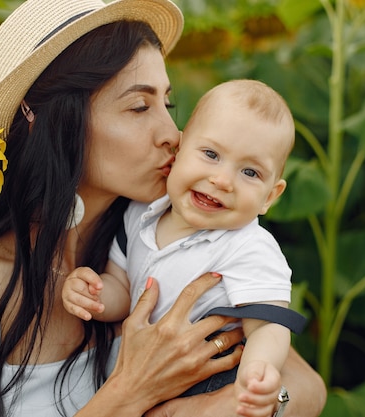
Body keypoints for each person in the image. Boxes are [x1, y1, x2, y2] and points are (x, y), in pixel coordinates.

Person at [0, 0, 327, 416]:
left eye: (168, 105)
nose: (173, 134)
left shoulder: (170, 236)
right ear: (60, 120)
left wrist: (227, 406)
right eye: (139, 107)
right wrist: (133, 393)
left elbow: (305, 387)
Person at [62, 79, 302, 417]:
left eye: (250, 171)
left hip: (213, 379)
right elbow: (123, 286)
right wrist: (96, 296)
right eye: (211, 154)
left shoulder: (249, 247)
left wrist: (258, 371)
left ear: (270, 197)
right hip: (147, 378)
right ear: (179, 149)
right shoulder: (140, 215)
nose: (222, 180)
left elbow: (267, 324)